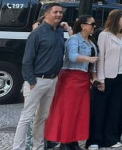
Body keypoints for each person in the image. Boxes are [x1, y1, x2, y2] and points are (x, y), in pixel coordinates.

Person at [14, 2, 69, 150]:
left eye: (60, 12)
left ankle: (38, 146)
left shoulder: (59, 32)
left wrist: (68, 29)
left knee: (42, 117)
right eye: (55, 12)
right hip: (37, 80)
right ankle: (17, 147)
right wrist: (31, 81)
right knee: (26, 117)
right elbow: (27, 60)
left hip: (52, 80)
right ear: (46, 14)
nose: (58, 14)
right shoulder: (36, 34)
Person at [45, 14, 97, 150]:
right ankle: (64, 141)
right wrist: (88, 59)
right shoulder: (74, 39)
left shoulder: (91, 42)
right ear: (83, 26)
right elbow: (72, 57)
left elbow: (94, 62)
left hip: (83, 79)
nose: (94, 27)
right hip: (71, 78)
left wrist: (94, 76)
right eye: (92, 24)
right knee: (68, 111)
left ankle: (73, 140)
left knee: (79, 112)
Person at [88, 9, 122, 150]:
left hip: (121, 76)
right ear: (116, 19)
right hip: (107, 76)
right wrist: (100, 79)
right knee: (99, 109)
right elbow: (100, 59)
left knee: (114, 109)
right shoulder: (104, 35)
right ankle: (94, 139)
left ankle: (110, 138)